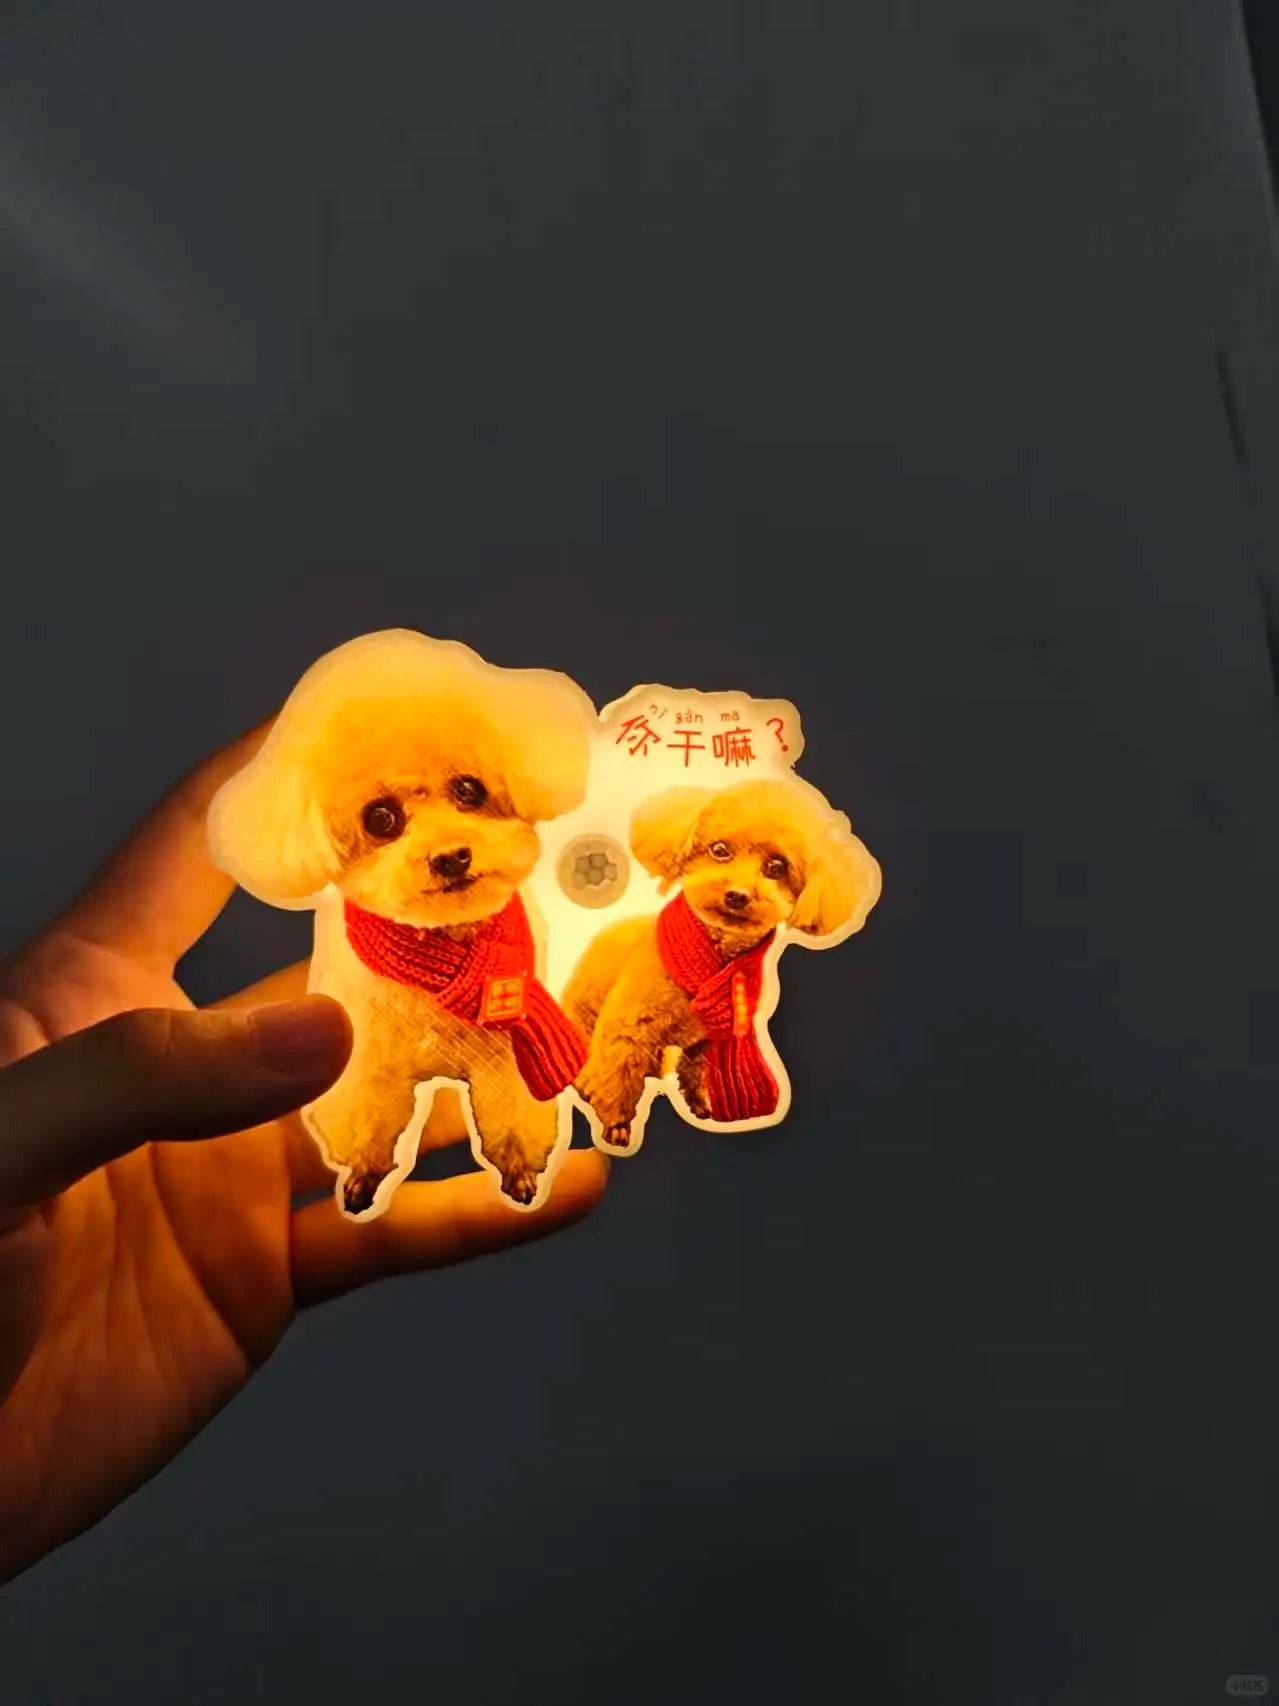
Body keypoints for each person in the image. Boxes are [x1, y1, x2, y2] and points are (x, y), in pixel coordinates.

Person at [0, 726, 610, 1583]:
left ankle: (497, 1144)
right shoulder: (357, 960)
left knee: (500, 1094)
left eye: (467, 793)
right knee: (367, 1080)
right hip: (356, 1060)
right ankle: (372, 1151)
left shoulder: (524, 945)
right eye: (385, 818)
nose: (445, 839)